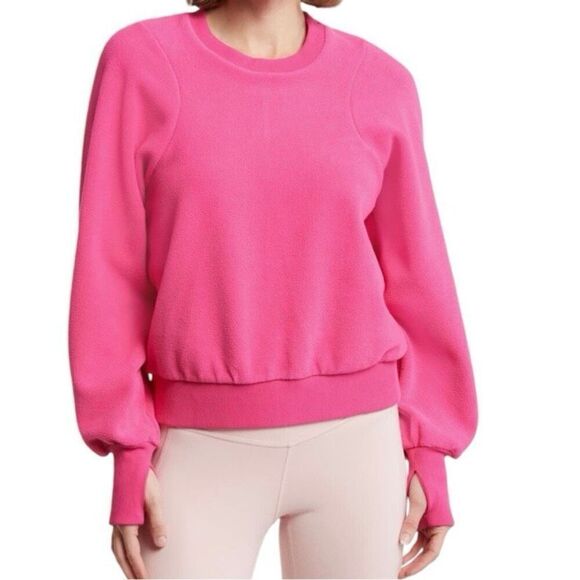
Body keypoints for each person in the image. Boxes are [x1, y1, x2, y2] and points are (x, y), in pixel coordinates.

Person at [67, 0, 478, 578]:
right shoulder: (142, 62)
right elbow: (108, 268)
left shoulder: (380, 82)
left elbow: (419, 276)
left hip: (359, 446)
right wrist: (127, 444)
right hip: (197, 447)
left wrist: (429, 444)